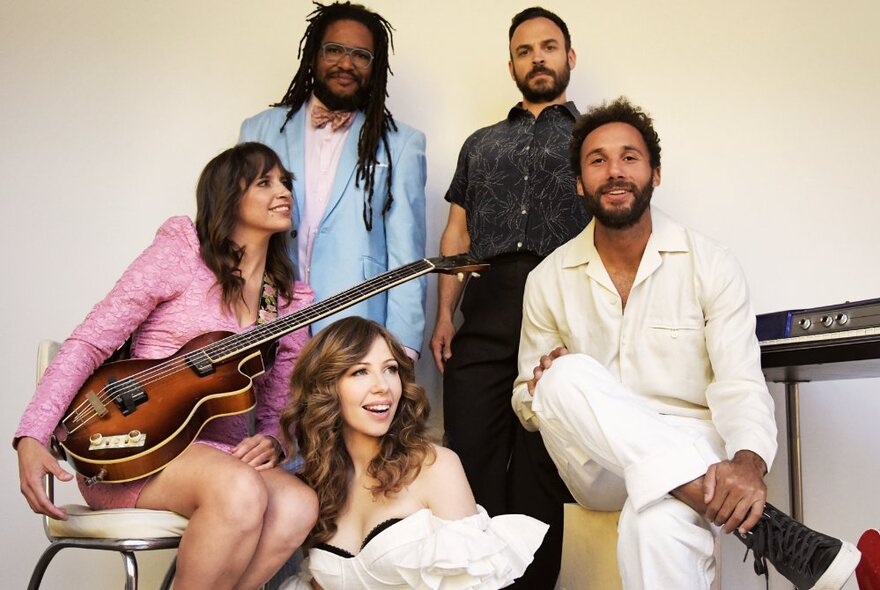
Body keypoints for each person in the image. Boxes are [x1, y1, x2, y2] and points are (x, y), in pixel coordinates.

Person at [513, 96, 861, 589]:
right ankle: (763, 528)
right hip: (598, 465)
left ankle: (699, 493)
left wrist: (747, 463)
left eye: (629, 157)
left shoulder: (710, 263)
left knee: (654, 522)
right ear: (579, 183)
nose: (615, 171)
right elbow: (525, 399)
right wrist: (550, 386)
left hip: (695, 443)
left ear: (655, 173)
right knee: (559, 377)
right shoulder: (548, 278)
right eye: (598, 160)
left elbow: (739, 381)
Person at [15, 142, 319, 590]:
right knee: (239, 489)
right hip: (127, 451)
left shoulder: (286, 300)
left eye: (285, 182)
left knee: (298, 504)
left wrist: (273, 441)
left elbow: (278, 407)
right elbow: (90, 342)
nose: (284, 192)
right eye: (265, 182)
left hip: (220, 462)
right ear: (228, 196)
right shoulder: (180, 255)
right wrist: (32, 435)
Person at [429, 7, 589, 586]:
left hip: (564, 318)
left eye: (549, 47)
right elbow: (456, 235)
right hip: (487, 307)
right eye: (525, 50)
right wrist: (445, 313)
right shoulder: (480, 143)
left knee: (545, 470)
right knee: (467, 458)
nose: (537, 58)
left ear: (570, 59)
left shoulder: (593, 139)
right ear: (512, 64)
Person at [278, 316, 547, 589]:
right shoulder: (316, 485)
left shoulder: (436, 467)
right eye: (360, 371)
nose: (382, 386)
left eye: (391, 369)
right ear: (325, 388)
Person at [240, 1, 426, 358]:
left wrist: (402, 346)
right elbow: (240, 232)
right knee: (271, 415)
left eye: (361, 55)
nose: (346, 63)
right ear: (313, 55)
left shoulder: (403, 143)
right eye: (334, 50)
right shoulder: (258, 130)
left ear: (375, 67)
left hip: (357, 322)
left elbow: (408, 255)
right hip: (267, 318)